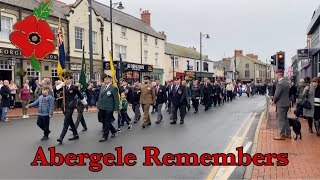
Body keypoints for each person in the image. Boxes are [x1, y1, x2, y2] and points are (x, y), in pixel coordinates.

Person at [55, 76, 87, 144]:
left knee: (66, 121)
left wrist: (84, 103)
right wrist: (61, 84)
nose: (66, 80)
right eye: (66, 79)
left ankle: (61, 137)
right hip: (64, 106)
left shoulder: (74, 87)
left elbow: (80, 95)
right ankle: (75, 134)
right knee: (70, 121)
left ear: (71, 80)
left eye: (68, 79)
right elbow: (56, 89)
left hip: (71, 106)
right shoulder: (63, 87)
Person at [97, 75, 119, 142]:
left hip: (109, 107)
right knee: (103, 120)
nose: (105, 80)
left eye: (107, 79)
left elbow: (116, 99)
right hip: (102, 107)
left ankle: (105, 136)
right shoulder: (102, 87)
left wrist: (116, 108)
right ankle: (113, 130)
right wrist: (98, 106)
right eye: (104, 79)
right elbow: (100, 97)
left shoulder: (113, 88)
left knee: (107, 121)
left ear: (110, 80)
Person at [273, 70, 291, 140]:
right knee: (285, 119)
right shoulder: (286, 82)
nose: (275, 76)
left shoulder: (279, 83)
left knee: (281, 120)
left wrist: (274, 101)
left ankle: (282, 135)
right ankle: (288, 133)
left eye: (276, 74)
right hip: (286, 103)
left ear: (278, 75)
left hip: (281, 104)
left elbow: (277, 95)